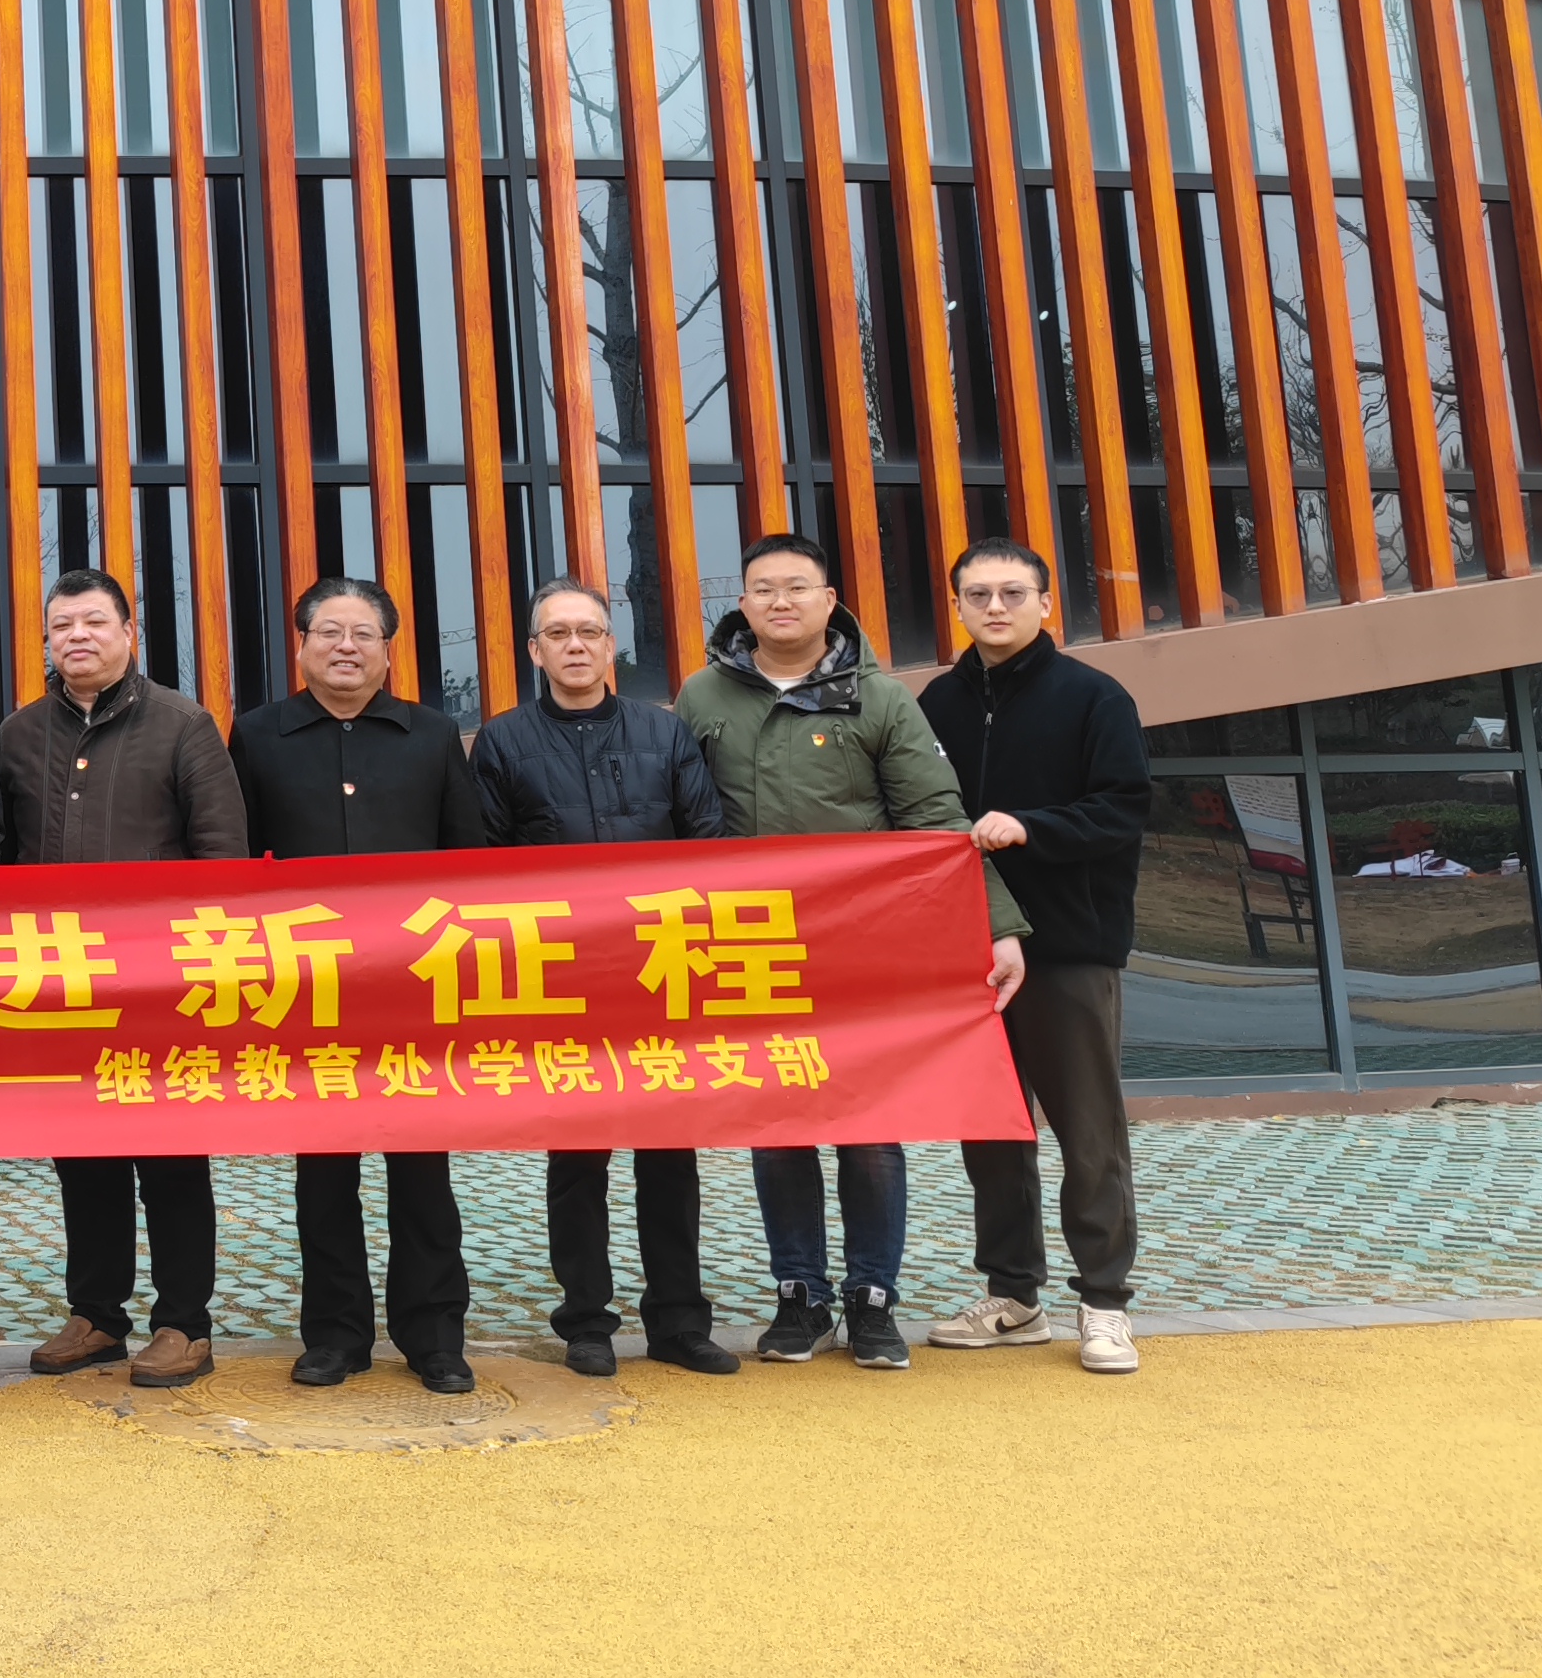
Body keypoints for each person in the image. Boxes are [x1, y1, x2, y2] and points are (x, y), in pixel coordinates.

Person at [673, 532, 1025, 1371]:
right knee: (777, 1126)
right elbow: (677, 819)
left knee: (870, 1128)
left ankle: (872, 1299)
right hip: (751, 944)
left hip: (864, 948)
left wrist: (997, 925)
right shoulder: (701, 696)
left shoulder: (880, 699)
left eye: (798, 586)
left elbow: (936, 821)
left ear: (830, 600)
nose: (781, 601)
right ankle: (799, 1294)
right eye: (764, 588)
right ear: (742, 603)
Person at [470, 576, 740, 1380]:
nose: (576, 646)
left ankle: (679, 1321)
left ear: (611, 644)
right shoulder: (503, 743)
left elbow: (709, 846)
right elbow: (482, 867)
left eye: (589, 631)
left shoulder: (665, 733)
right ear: (535, 651)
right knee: (578, 1161)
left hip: (660, 972)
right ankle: (585, 1320)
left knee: (670, 1157)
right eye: (558, 634)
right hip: (562, 982)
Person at [230, 577, 486, 1395]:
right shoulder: (258, 734)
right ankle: (334, 1336)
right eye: (330, 632)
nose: (346, 646)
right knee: (324, 1174)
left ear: (387, 649)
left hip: (414, 989)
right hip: (308, 991)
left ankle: (434, 1335)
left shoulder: (431, 733)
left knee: (423, 1172)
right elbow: (237, 865)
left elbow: (468, 859)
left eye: (363, 633)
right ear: (301, 643)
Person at [0, 569, 248, 1391]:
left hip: (161, 989)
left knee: (171, 1160)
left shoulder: (183, 725)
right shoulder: (19, 734)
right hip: (61, 987)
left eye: (95, 622)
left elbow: (224, 860)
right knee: (83, 1159)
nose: (78, 636)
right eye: (62, 624)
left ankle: (184, 1323)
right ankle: (97, 1315)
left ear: (129, 633)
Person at [917, 537, 1152, 1377]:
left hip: (1068, 949)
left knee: (1088, 1133)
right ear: (956, 606)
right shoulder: (935, 704)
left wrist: (1032, 827)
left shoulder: (1094, 697)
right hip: (966, 952)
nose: (995, 607)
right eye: (978, 594)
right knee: (990, 1132)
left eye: (1013, 593)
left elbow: (1124, 808)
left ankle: (1105, 1301)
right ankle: (1013, 1296)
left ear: (1047, 604)